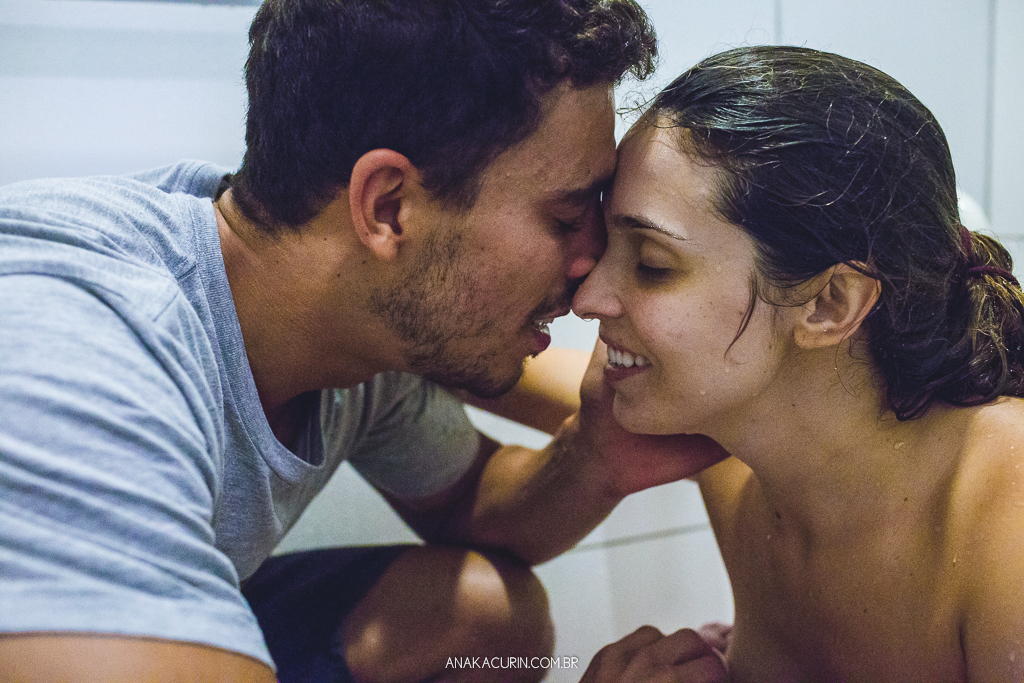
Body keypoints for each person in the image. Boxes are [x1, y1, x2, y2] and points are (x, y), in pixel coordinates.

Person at [0, 1, 731, 681]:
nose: (590, 272)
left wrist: (596, 459)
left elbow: (466, 500)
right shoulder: (81, 351)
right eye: (566, 219)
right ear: (388, 207)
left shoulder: (348, 321)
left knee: (482, 616)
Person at [573, 45, 1024, 681]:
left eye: (652, 264)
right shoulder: (733, 447)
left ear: (829, 303)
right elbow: (502, 377)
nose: (587, 298)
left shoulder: (1006, 517)